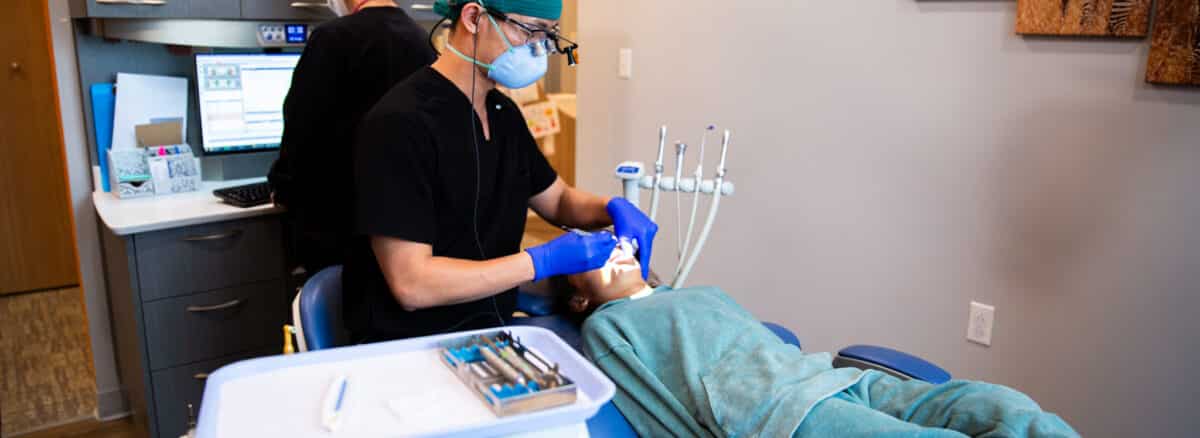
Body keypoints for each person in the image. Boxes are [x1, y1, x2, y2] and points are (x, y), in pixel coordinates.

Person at [346, 0, 657, 342]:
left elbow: (558, 199)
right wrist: (539, 261)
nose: (538, 49)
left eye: (548, 36)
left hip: (493, 330)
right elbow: (412, 284)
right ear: (474, 17)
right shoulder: (400, 124)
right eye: (530, 31)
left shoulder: (503, 114)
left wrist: (610, 208)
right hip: (411, 343)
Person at [554, 246, 1080, 438]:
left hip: (829, 376)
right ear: (578, 300)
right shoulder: (607, 326)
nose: (611, 248)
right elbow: (649, 406)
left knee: (1002, 406)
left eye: (610, 240)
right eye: (590, 257)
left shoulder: (694, 292)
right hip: (774, 415)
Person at [269, 0, 436, 274]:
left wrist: (281, 185)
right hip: (403, 224)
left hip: (338, 221)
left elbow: (302, 130)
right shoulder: (422, 39)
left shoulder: (332, 37)